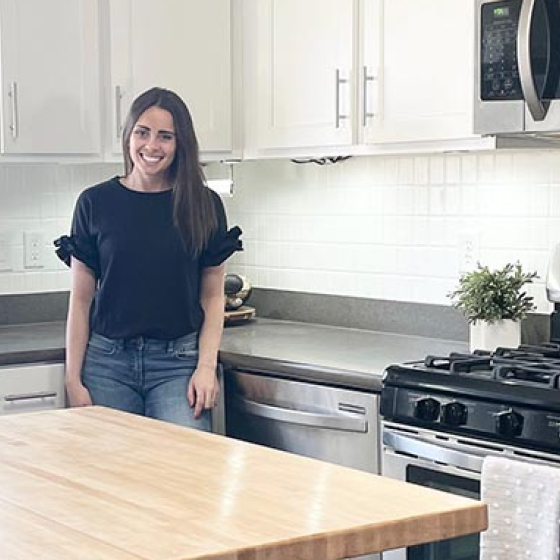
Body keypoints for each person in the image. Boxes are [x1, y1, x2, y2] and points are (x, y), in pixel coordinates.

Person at [54, 87, 242, 432]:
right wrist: (72, 378)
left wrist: (205, 366)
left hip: (178, 366)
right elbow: (81, 299)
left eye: (165, 136)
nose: (152, 146)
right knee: (112, 479)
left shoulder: (204, 204)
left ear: (180, 143)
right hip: (106, 365)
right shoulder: (95, 203)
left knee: (181, 473)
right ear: (128, 136)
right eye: (142, 132)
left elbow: (213, 296)